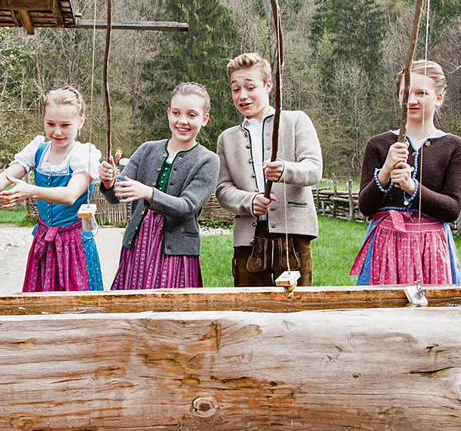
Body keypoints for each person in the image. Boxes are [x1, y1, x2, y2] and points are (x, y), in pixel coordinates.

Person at [352, 60, 461, 285]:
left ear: (439, 98)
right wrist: (385, 171)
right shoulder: (379, 144)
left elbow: (452, 209)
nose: (412, 101)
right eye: (406, 93)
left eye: (421, 93)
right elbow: (366, 207)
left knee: (429, 314)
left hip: (431, 248)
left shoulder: (454, 147)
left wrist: (412, 188)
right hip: (385, 245)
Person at [0, 87, 103, 292]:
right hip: (44, 241)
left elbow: (71, 195)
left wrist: (31, 190)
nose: (57, 131)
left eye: (65, 125)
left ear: (80, 121)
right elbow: (4, 179)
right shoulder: (38, 150)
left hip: (74, 245)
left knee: (76, 304)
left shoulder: (84, 155)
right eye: (50, 124)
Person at [214, 53, 322, 287]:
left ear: (268, 86)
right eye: (235, 89)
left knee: (296, 309)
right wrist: (249, 201)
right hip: (248, 240)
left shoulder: (296, 121)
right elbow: (222, 189)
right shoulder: (227, 138)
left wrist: (284, 170)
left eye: (250, 87)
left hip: (293, 237)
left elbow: (313, 169)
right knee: (250, 312)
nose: (242, 96)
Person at [98, 83, 219, 290]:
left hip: (176, 252)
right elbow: (117, 194)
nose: (182, 121)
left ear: (204, 119)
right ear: (168, 113)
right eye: (176, 113)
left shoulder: (208, 160)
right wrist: (109, 182)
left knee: (170, 313)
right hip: (137, 246)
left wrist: (148, 193)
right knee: (131, 308)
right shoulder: (147, 149)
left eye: (192, 115)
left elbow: (187, 206)